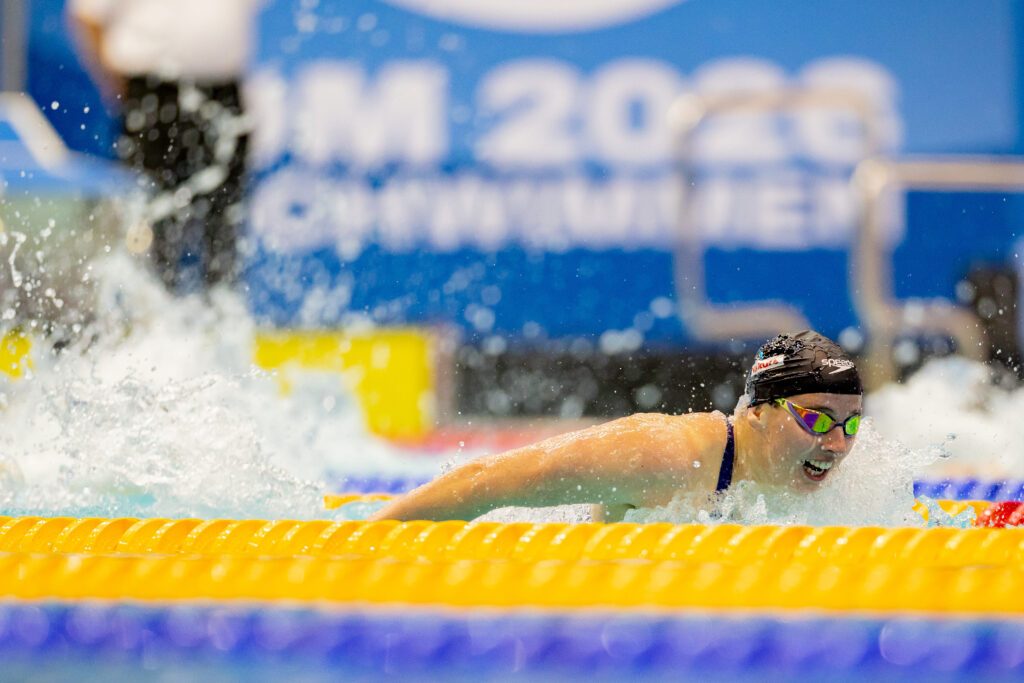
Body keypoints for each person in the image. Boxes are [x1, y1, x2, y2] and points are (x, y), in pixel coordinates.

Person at [370, 330, 863, 522]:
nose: (837, 444)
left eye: (850, 424)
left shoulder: (859, 481)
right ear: (758, 410)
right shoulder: (662, 456)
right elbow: (487, 481)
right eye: (817, 419)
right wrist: (367, 542)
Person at [67, 0, 260, 291]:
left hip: (221, 94)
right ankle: (147, 307)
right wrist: (119, 84)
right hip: (152, 93)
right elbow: (86, 16)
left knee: (224, 218)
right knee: (147, 212)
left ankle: (222, 304)